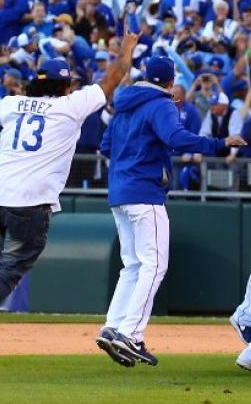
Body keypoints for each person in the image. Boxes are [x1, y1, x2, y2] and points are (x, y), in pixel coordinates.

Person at [0, 34, 138, 364]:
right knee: (12, 268)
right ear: (65, 86)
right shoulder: (70, 107)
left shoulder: (14, 102)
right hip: (31, 201)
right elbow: (114, 76)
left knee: (2, 247)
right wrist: (128, 47)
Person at [96, 55, 243, 367]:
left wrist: (144, 151)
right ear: (170, 80)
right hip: (144, 192)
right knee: (154, 266)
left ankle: (113, 327)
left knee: (133, 266)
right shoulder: (160, 103)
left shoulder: (124, 104)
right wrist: (217, 144)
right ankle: (130, 334)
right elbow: (175, 138)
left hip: (119, 192)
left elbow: (105, 147)